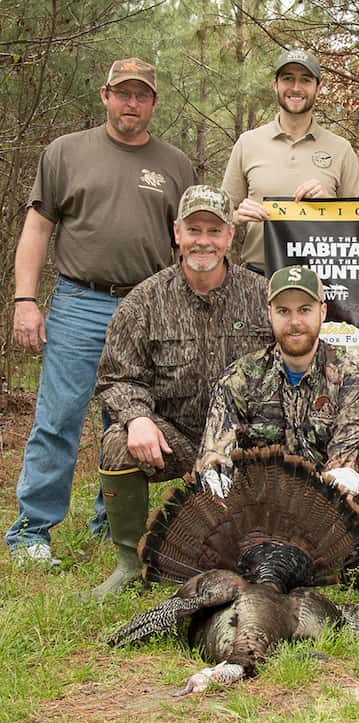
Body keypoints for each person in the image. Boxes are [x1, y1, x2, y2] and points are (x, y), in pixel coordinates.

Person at [6, 58, 196, 566]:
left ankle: (111, 521)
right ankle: (32, 531)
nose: (131, 103)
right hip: (79, 301)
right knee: (59, 417)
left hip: (147, 307)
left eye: (141, 95)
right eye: (122, 93)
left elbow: (187, 245)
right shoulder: (65, 152)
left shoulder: (176, 164)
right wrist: (25, 300)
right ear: (104, 95)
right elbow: (37, 230)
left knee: (129, 418)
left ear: (154, 103)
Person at [93, 185, 271, 596]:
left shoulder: (261, 296)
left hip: (245, 447)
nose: (203, 241)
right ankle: (128, 565)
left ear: (230, 236)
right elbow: (117, 377)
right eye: (194, 229)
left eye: (214, 230)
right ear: (177, 233)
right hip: (179, 441)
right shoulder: (144, 301)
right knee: (118, 441)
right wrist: (137, 418)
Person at [196, 266, 359, 598]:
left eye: (304, 310)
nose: (295, 321)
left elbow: (344, 455)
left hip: (330, 508)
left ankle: (358, 557)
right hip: (264, 515)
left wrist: (329, 513)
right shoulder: (241, 377)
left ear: (322, 312)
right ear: (270, 314)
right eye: (284, 311)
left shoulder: (350, 375)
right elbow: (215, 447)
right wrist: (215, 471)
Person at [223, 49, 359, 273]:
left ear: (318, 88)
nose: (296, 88)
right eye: (288, 78)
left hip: (321, 277)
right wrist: (237, 216)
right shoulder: (248, 143)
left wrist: (329, 205)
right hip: (259, 274)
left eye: (305, 80)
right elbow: (219, 217)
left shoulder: (341, 149)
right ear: (275, 85)